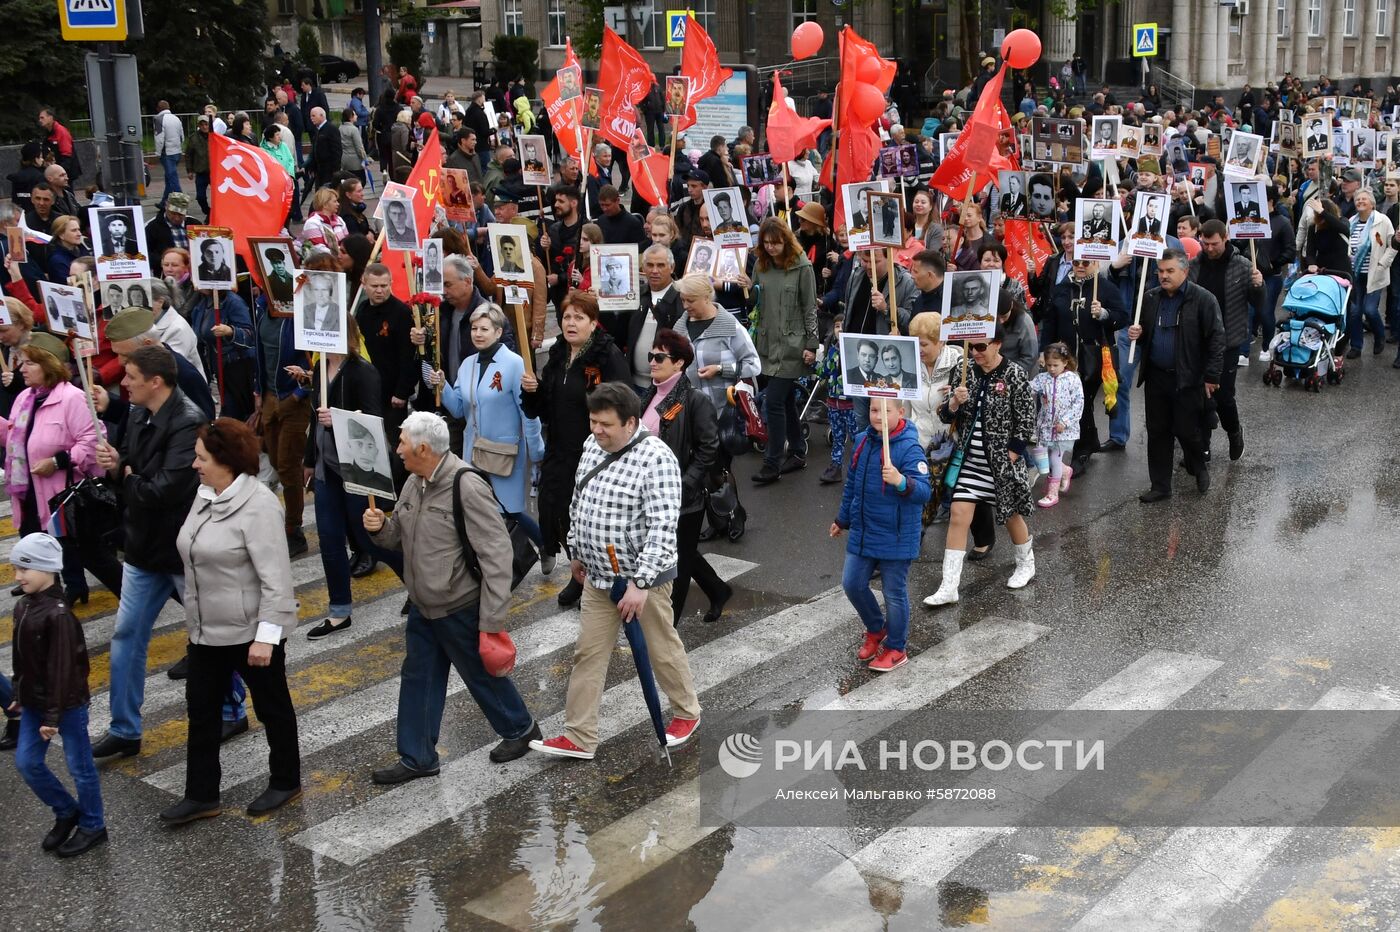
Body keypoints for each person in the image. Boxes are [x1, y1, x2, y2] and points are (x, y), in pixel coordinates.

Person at [363, 411, 541, 782]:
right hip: (423, 606)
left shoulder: (466, 485)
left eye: (402, 444)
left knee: (480, 675)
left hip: (459, 604)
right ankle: (418, 757)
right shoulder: (415, 481)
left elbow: (497, 555)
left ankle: (521, 730)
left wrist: (491, 621)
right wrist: (380, 529)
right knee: (419, 679)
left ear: (423, 449)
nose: (397, 450)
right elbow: (398, 534)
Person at [530, 383, 702, 759]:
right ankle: (579, 736)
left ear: (631, 422)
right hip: (597, 577)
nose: (597, 431)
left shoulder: (657, 458)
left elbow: (662, 527)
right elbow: (580, 501)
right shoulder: (593, 446)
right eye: (593, 421)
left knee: (660, 648)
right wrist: (576, 550)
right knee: (588, 654)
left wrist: (641, 585)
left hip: (642, 581)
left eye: (605, 424)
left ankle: (687, 712)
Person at [162, 419, 302, 824]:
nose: (194, 465)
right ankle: (201, 795)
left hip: (250, 634)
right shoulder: (206, 494)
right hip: (205, 632)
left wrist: (267, 638)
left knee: (272, 708)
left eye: (201, 457)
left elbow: (277, 580)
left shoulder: (258, 506)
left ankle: (285, 780)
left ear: (225, 460)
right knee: (201, 712)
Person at [90, 346, 211, 759]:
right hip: (143, 550)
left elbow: (163, 489)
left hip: (178, 550)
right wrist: (115, 463)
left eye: (131, 377)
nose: (122, 383)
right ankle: (125, 728)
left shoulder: (188, 421)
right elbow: (132, 464)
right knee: (126, 635)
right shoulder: (139, 412)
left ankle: (231, 706)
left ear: (155, 382)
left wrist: (125, 476)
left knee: (207, 636)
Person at [521, 291, 630, 606]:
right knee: (561, 514)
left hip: (596, 452)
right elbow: (542, 407)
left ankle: (604, 579)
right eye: (567, 317)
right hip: (560, 450)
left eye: (579, 318)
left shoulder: (607, 357)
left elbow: (621, 403)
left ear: (593, 323)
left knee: (589, 518)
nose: (571, 323)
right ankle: (578, 575)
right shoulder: (557, 354)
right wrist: (533, 391)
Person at [302, 315, 405, 638]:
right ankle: (339, 611)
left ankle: (416, 584)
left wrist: (340, 420)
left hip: (355, 467)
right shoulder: (319, 370)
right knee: (330, 538)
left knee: (367, 537)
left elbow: (374, 420)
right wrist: (308, 459)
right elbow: (313, 419)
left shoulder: (363, 371)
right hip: (325, 468)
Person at [923, 327, 1038, 606]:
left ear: (998, 344)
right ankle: (949, 585)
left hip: (1000, 463)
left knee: (1011, 516)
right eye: (971, 347)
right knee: (959, 514)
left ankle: (1026, 564)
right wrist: (953, 401)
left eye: (981, 347)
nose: (975, 352)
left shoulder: (1014, 375)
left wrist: (1011, 455)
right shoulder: (965, 372)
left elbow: (1026, 420)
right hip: (970, 462)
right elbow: (945, 415)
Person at [9, 532, 108, 857]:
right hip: (35, 703)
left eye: (25, 569)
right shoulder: (24, 605)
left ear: (47, 569)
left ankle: (94, 825)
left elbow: (63, 671)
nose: (18, 576)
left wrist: (52, 717)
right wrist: (18, 692)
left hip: (66, 706)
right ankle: (67, 811)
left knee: (80, 767)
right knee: (27, 763)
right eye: (15, 569)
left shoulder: (59, 615)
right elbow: (21, 657)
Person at [0, 334, 118, 602]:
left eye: (29, 363)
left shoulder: (73, 398)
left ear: (48, 365)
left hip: (62, 494)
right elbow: (16, 438)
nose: (21, 369)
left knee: (78, 550)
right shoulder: (25, 398)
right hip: (28, 491)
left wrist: (57, 462)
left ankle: (98, 592)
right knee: (36, 544)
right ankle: (47, 592)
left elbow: (92, 441)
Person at [831, 393, 931, 672]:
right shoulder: (863, 440)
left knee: (893, 592)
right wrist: (842, 519)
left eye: (885, 411)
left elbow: (924, 492)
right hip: (864, 530)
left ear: (900, 412)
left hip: (896, 534)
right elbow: (852, 484)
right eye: (874, 409)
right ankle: (877, 629)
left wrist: (901, 481)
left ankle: (897, 648)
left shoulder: (909, 448)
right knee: (852, 583)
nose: (878, 416)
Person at [641, 329, 730, 623]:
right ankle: (717, 590)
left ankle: (669, 625)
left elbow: (708, 449)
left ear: (679, 363)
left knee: (675, 560)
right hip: (650, 493)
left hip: (683, 497)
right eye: (651, 356)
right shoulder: (648, 395)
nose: (652, 362)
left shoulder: (694, 400)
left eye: (660, 357)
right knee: (683, 551)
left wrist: (685, 484)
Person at [438, 303, 545, 547]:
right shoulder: (467, 365)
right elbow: (457, 408)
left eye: (484, 328)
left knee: (509, 510)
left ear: (498, 332)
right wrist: (442, 385)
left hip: (504, 452)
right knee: (479, 508)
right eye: (474, 328)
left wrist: (536, 451)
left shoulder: (514, 363)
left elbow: (528, 412)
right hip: (473, 450)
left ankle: (544, 546)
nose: (477, 333)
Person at [1128, 249, 1224, 500]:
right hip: (1157, 376)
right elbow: (1147, 332)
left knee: (1186, 429)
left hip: (1188, 376)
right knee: (1158, 431)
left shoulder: (1203, 299)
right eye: (1160, 271)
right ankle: (1160, 485)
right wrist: (1138, 334)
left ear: (1185, 271)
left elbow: (1216, 338)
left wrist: (1212, 375)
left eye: (1170, 271)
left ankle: (1199, 464)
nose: (1164, 276)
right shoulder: (1150, 298)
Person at [751, 218, 818, 484]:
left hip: (793, 346)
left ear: (785, 241)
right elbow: (754, 303)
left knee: (774, 401)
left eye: (775, 242)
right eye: (766, 243)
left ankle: (772, 462)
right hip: (768, 344)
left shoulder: (802, 267)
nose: (770, 247)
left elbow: (810, 307)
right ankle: (798, 452)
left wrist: (812, 345)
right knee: (787, 401)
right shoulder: (760, 265)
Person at [1190, 220, 1261, 459]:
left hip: (1229, 339)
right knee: (1199, 394)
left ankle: (1233, 431)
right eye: (1205, 243)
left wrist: (1258, 286)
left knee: (1222, 395)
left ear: (1226, 238)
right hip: (1198, 339)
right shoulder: (1194, 265)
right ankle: (1204, 445)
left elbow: (1259, 304)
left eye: (1214, 244)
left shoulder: (1242, 266)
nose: (1209, 248)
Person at [1027, 344, 1085, 508]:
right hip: (1046, 426)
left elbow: (1078, 403)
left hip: (1064, 429)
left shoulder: (1073, 379)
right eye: (1048, 365)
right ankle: (1065, 471)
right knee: (1045, 458)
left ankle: (1052, 493)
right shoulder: (1043, 378)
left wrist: (1065, 422)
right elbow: (1029, 388)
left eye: (1055, 365)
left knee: (1055, 457)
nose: (1051, 369)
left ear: (1065, 362)